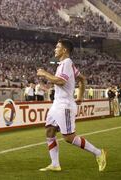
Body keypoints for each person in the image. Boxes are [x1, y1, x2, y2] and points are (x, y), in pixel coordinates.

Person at [36, 39, 106, 172]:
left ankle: (99, 153)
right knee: (50, 131)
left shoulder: (67, 63)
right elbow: (82, 79)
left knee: (69, 137)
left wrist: (44, 73)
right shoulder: (66, 64)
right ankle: (55, 164)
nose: (55, 49)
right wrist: (80, 96)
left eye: (57, 47)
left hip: (65, 105)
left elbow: (61, 81)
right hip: (57, 104)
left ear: (64, 50)